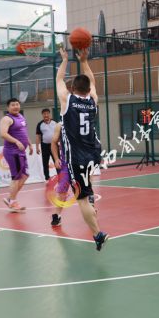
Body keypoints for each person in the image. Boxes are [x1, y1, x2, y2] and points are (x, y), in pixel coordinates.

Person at [56, 47, 108, 251]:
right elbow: (92, 81)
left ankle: (97, 234)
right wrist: (84, 61)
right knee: (87, 188)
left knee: (82, 199)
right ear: (88, 89)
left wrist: (64, 60)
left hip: (76, 157)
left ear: (72, 89)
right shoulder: (93, 100)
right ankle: (90, 196)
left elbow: (59, 80)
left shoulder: (67, 100)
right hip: (94, 153)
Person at [0, 98, 34, 212]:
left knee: (25, 175)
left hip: (21, 152)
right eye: (13, 105)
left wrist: (30, 144)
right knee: (17, 177)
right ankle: (13, 202)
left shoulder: (21, 117)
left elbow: (24, 133)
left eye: (17, 104)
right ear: (8, 107)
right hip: (13, 152)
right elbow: (3, 134)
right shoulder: (7, 119)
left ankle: (10, 199)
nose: (16, 106)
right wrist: (16, 142)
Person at [49, 121, 71, 226]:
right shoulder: (60, 125)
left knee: (85, 189)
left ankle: (91, 208)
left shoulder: (80, 120)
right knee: (62, 190)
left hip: (80, 162)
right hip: (65, 164)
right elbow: (53, 142)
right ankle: (57, 216)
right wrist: (56, 158)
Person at [35, 108, 57, 180]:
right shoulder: (40, 124)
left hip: (54, 145)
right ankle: (47, 178)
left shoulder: (55, 123)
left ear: (50, 114)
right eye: (44, 114)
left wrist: (60, 144)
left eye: (47, 113)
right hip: (44, 146)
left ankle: (60, 176)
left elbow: (59, 133)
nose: (46, 115)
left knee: (57, 160)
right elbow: (38, 136)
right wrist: (37, 147)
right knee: (45, 162)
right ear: (42, 115)